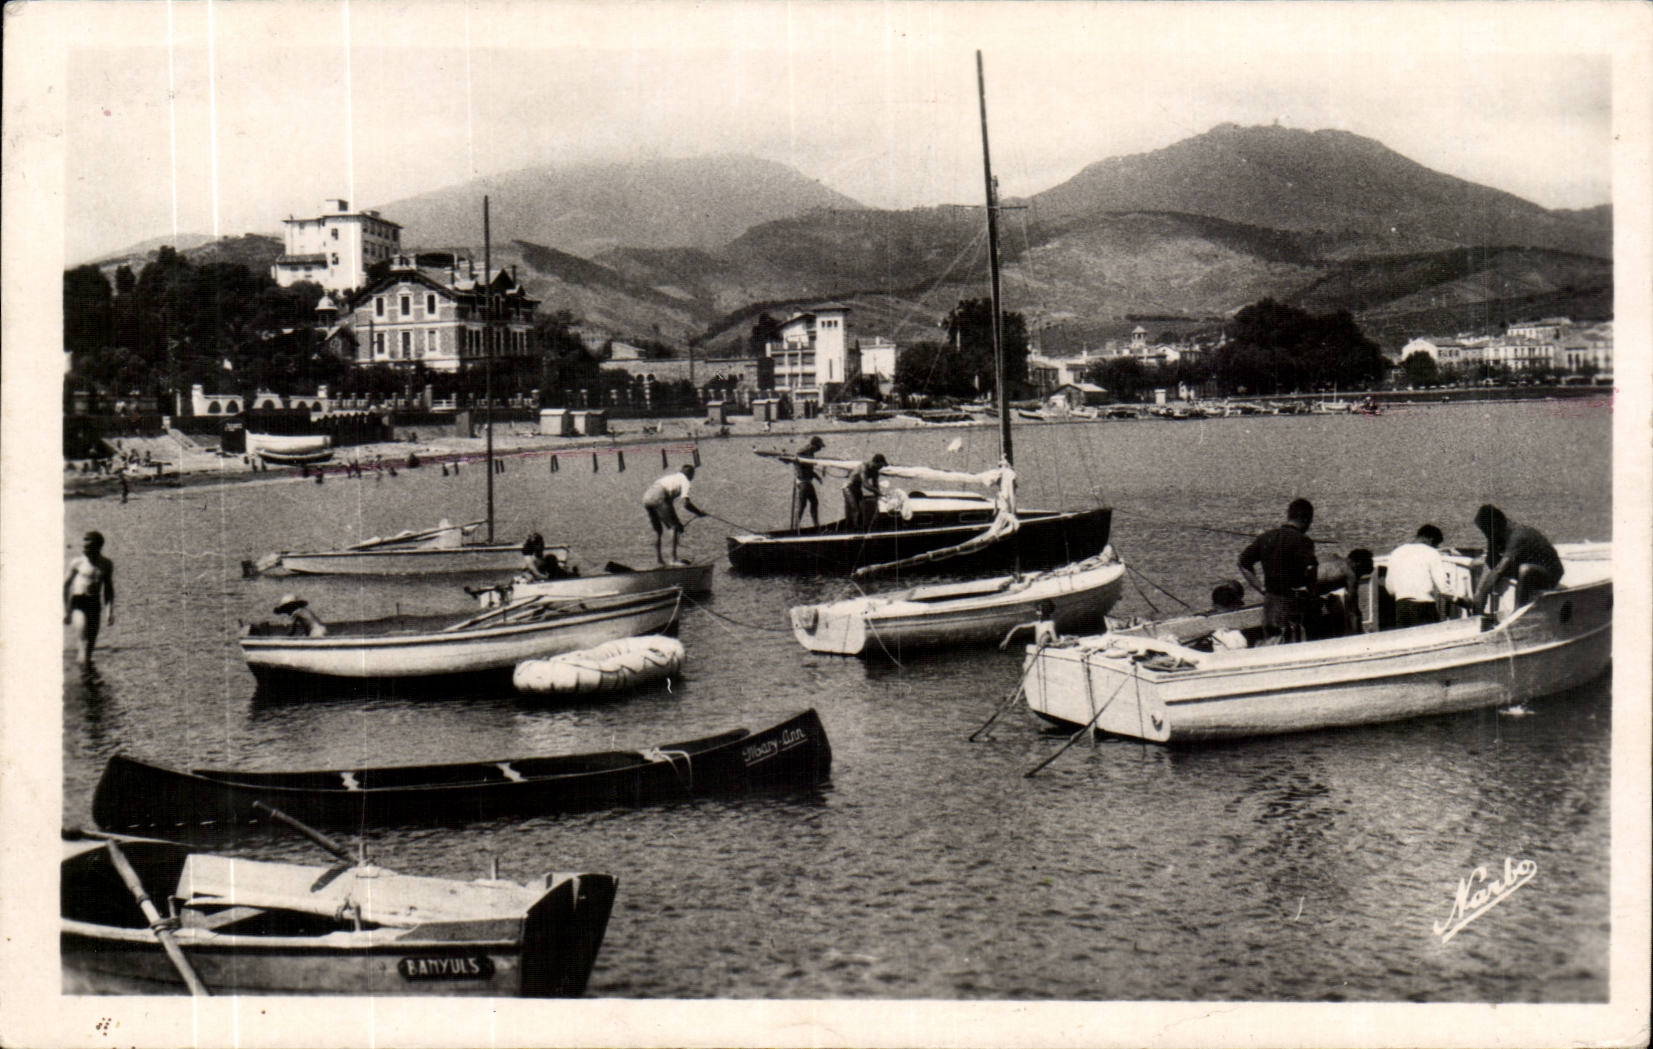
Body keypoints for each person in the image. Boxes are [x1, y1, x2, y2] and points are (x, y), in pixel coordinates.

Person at [1238, 498, 1318, 643]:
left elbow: (1243, 563)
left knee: (1272, 642)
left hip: (1270, 603)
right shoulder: (1303, 540)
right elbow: (1310, 571)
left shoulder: (1266, 537)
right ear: (1306, 518)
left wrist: (1261, 588)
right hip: (1292, 604)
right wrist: (1312, 594)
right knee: (1292, 644)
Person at [1471, 504, 1563, 612]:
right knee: (1476, 563)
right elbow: (1489, 562)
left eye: (1485, 531)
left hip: (1549, 574)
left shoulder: (1517, 536)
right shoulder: (1496, 534)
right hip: (1524, 567)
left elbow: (1499, 570)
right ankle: (1477, 609)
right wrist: (1478, 593)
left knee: (1525, 570)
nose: (1486, 535)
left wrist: (1484, 592)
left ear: (1495, 527)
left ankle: (1518, 612)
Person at [1384, 524, 1469, 627]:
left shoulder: (1396, 553)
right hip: (1424, 608)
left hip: (1401, 608)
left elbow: (1390, 589)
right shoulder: (1431, 552)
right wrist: (1462, 601)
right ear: (1431, 540)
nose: (1436, 548)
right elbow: (1444, 589)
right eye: (1436, 545)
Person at [63, 531, 115, 664]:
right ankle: (84, 670)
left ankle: (84, 668)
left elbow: (108, 590)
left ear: (98, 547)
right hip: (79, 601)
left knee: (90, 645)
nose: (84, 550)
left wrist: (109, 612)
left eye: (88, 547)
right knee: (83, 640)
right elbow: (65, 585)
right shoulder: (77, 562)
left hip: (94, 604)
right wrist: (66, 611)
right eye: (84, 547)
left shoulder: (106, 564)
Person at [644, 464, 707, 565]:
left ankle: (659, 560)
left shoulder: (672, 477)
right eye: (693, 474)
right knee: (674, 528)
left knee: (658, 531)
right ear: (690, 474)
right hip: (660, 496)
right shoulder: (685, 481)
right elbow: (686, 504)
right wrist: (698, 512)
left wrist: (678, 523)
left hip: (647, 497)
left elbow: (669, 508)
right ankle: (673, 559)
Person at [1307, 548, 1374, 639]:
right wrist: (1359, 630)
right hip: (1307, 593)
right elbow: (1352, 607)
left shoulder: (1334, 559)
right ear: (1357, 563)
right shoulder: (1350, 573)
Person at [842, 453, 887, 532]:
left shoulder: (875, 471)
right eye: (879, 466)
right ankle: (853, 531)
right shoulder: (864, 467)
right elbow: (865, 484)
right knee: (856, 510)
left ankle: (860, 529)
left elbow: (875, 485)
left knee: (862, 510)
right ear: (875, 463)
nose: (880, 468)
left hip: (857, 488)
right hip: (848, 488)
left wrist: (878, 498)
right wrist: (878, 492)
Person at [790, 436, 826, 532]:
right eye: (819, 447)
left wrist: (817, 477)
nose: (819, 450)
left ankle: (815, 525)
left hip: (807, 481)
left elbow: (809, 469)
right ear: (815, 445)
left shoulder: (810, 452)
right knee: (803, 504)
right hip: (803, 481)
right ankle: (796, 527)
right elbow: (798, 459)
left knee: (814, 502)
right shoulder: (805, 451)